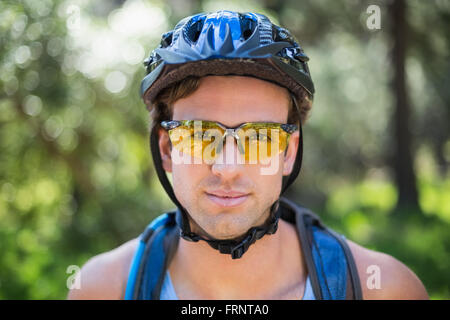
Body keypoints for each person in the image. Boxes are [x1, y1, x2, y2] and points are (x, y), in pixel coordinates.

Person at [68, 10, 428, 300]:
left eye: (260, 138)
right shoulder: (103, 289)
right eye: (198, 136)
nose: (227, 167)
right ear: (167, 150)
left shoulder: (383, 289)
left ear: (289, 152)